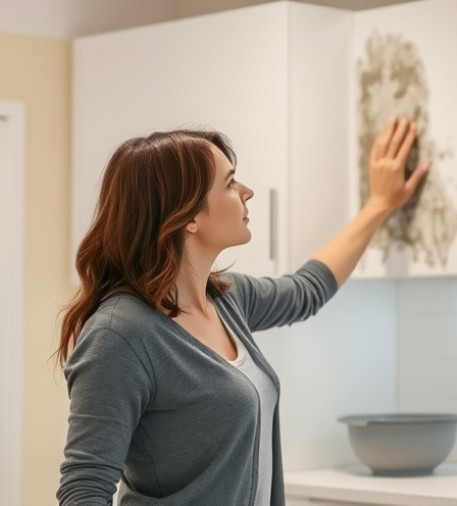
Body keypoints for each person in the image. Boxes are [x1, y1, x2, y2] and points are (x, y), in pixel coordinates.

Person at [56, 117, 429, 506]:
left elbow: (308, 290)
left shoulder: (228, 300)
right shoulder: (121, 335)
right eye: (230, 183)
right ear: (189, 218)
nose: (247, 192)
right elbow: (84, 491)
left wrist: (379, 204)